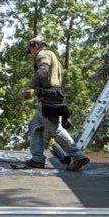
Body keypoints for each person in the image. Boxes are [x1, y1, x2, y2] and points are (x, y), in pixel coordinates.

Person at [24, 38, 89, 172]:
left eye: (30, 51)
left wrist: (31, 86)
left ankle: (78, 156)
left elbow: (43, 71)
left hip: (49, 98)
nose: (31, 54)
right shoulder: (52, 55)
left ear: (35, 46)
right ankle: (37, 159)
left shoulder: (43, 54)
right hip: (52, 96)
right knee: (35, 126)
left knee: (55, 129)